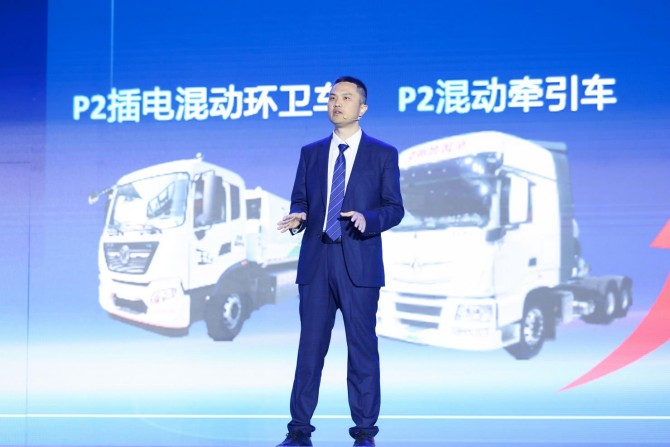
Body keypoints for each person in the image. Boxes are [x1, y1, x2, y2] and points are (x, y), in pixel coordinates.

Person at [276, 76, 404, 447]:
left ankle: (364, 432)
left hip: (359, 263)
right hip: (317, 261)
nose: (336, 103)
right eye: (332, 97)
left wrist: (369, 219)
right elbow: (300, 198)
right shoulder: (311, 153)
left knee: (362, 349)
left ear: (362, 108)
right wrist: (299, 215)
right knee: (310, 349)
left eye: (346, 98)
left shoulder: (382, 154)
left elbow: (394, 208)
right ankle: (299, 430)